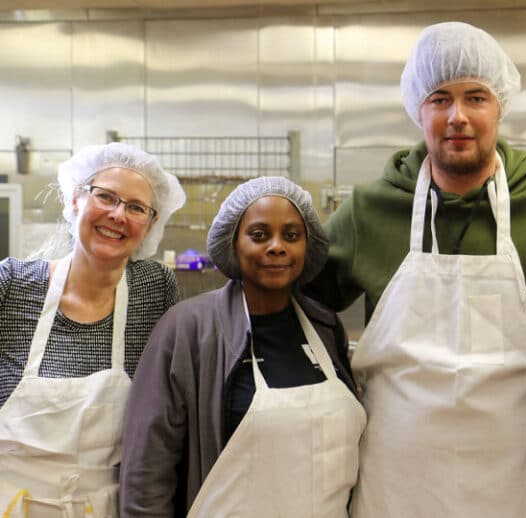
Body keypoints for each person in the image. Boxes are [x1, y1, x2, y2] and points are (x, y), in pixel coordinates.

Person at [305, 21, 526, 517]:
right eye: (440, 99)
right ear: (419, 109)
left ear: (500, 105)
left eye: (475, 97)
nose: (457, 116)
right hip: (398, 480)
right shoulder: (371, 210)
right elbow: (297, 301)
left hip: (519, 477)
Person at [119, 176, 365, 517]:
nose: (277, 246)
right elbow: (147, 472)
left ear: (308, 246)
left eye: (291, 236)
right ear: (233, 243)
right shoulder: (189, 330)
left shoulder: (324, 327)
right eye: (259, 235)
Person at [0, 142, 185, 518]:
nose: (118, 215)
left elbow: (171, 414)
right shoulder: (12, 285)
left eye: (136, 207)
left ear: (151, 224)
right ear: (74, 201)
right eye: (105, 197)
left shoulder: (155, 290)